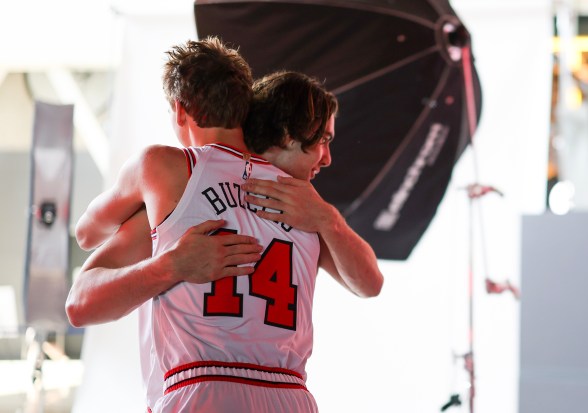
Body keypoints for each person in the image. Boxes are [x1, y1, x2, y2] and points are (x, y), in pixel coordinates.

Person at [66, 41, 383, 412]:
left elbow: (80, 293)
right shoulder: (300, 197)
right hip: (290, 395)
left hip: (202, 388)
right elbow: (370, 283)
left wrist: (172, 264)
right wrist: (329, 217)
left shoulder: (169, 175)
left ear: (180, 110)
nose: (325, 157)